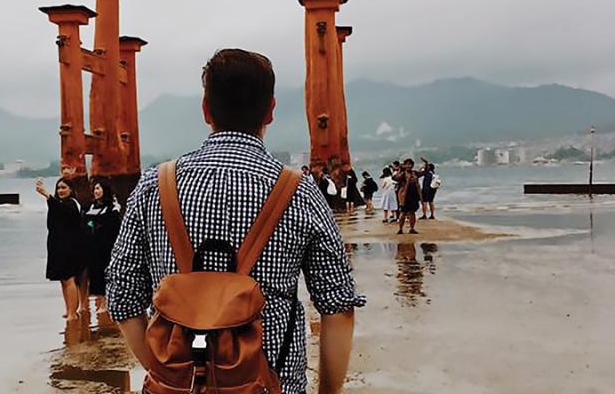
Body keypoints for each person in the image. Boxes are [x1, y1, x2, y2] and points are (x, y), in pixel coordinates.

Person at [106, 49, 365, 394]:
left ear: (205, 109)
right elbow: (338, 309)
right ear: (271, 111)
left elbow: (122, 299)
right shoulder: (299, 192)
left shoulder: (155, 186)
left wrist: (165, 372)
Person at [36, 177, 89, 321]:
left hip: (70, 246)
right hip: (57, 245)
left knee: (69, 278)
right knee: (63, 280)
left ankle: (73, 312)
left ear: (71, 189)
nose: (60, 190)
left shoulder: (72, 204)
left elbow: (64, 211)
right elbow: (54, 215)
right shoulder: (60, 203)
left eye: (64, 188)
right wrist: (49, 199)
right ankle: (69, 310)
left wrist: (47, 195)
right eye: (59, 188)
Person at [85, 179, 122, 315]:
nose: (96, 191)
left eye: (99, 189)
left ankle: (106, 302)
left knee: (107, 273)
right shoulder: (92, 207)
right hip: (93, 247)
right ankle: (100, 300)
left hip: (107, 247)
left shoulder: (112, 208)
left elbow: (114, 228)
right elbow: (86, 223)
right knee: (95, 274)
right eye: (95, 189)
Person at [393, 158, 423, 235]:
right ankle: (400, 229)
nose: (409, 166)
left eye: (410, 164)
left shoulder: (415, 173)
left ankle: (412, 228)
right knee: (403, 213)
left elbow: (424, 172)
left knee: (412, 213)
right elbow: (394, 178)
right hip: (404, 197)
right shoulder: (403, 174)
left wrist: (426, 163)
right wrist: (400, 169)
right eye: (407, 164)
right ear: (405, 165)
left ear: (412, 165)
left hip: (414, 196)